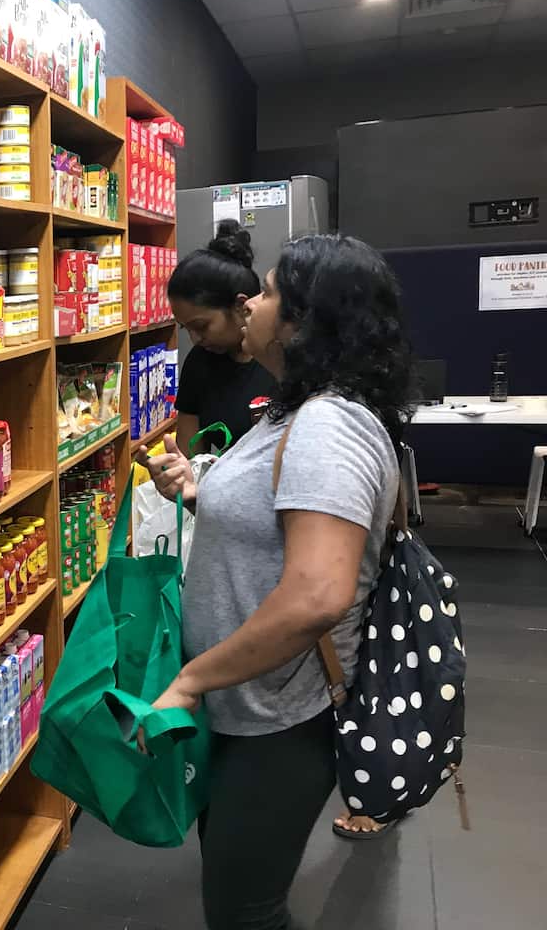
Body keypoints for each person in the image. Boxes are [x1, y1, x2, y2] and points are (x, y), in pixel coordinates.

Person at [139, 233, 414, 929]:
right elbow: (276, 517)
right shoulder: (303, 408)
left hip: (281, 718)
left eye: (265, 292)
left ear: (302, 318)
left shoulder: (327, 425)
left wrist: (193, 680)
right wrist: (199, 489)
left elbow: (319, 594)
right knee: (235, 894)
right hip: (250, 705)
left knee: (245, 912)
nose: (251, 303)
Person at [169, 220, 276, 457]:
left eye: (201, 326)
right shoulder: (199, 363)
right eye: (185, 328)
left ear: (240, 306)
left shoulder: (278, 358)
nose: (195, 339)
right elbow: (191, 460)